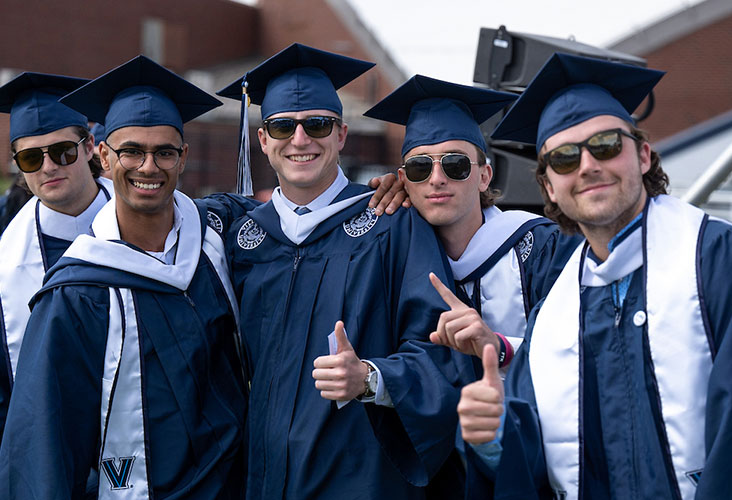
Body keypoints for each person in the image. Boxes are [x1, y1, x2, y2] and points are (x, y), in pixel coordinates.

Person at [458, 52, 732, 499]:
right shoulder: (555, 312)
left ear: (644, 155)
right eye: (565, 158)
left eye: (606, 145)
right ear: (549, 187)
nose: (588, 165)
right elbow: (535, 461)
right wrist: (492, 439)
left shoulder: (726, 262)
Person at [213, 43, 474, 499]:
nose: (300, 140)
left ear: (341, 135)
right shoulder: (240, 239)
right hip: (261, 476)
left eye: (317, 124)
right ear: (262, 140)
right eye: (281, 126)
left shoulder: (392, 224)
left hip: (359, 478)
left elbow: (441, 348)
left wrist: (372, 377)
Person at [0, 56, 247, 499]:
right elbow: (40, 432)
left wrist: (395, 190)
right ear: (107, 155)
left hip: (229, 478)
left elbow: (300, 224)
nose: (148, 167)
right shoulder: (68, 293)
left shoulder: (210, 235)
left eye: (61, 152)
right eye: (32, 157)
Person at [364, 74, 580, 367]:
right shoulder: (392, 254)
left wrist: (500, 347)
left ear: (484, 177)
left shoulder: (543, 249)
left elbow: (580, 348)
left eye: (456, 164)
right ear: (403, 180)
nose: (437, 179)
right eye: (419, 168)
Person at [0, 72, 114, 440]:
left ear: (90, 146)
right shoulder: (6, 260)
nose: (49, 166)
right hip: (52, 450)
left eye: (63, 151)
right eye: (31, 158)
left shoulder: (151, 226)